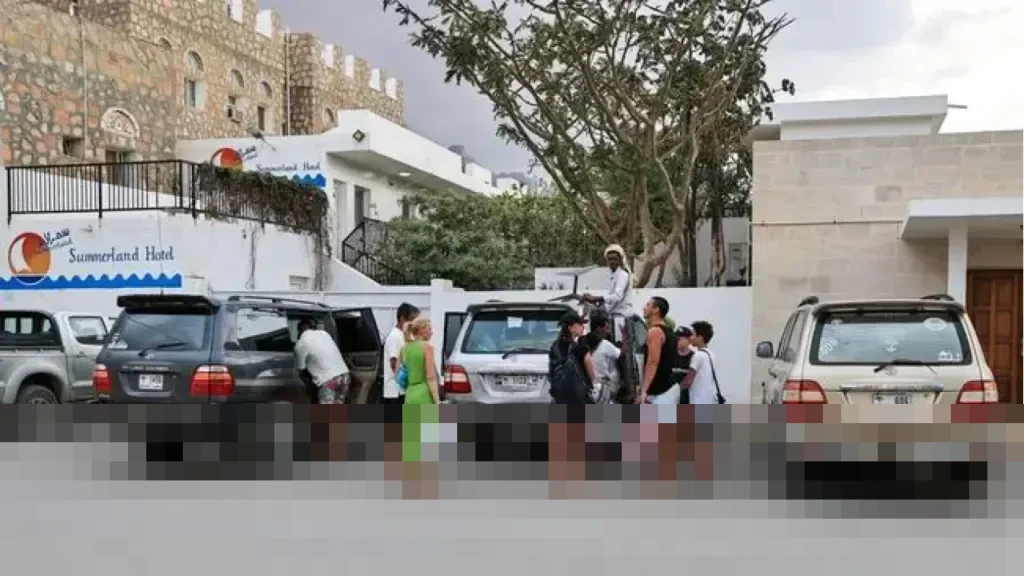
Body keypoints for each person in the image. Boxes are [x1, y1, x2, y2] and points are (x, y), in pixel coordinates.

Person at [400, 317, 441, 463]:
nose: (432, 332)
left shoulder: (405, 348)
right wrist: (437, 401)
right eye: (429, 329)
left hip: (410, 394)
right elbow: (431, 377)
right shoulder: (427, 348)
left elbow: (400, 374)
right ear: (422, 330)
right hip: (424, 394)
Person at [294, 318, 350, 404]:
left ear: (300, 331)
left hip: (329, 380)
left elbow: (301, 368)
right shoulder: (325, 334)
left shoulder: (300, 343)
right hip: (345, 376)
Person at [582, 244, 634, 333]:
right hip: (614, 316)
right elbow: (610, 302)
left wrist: (596, 298)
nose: (612, 262)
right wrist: (595, 302)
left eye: (614, 259)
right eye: (609, 259)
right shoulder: (614, 275)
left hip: (622, 317)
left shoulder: (622, 275)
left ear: (620, 260)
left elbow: (617, 297)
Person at [639, 296, 677, 405]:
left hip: (658, 393)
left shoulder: (655, 331)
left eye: (648, 305)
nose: (644, 308)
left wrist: (644, 390)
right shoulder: (669, 332)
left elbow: (652, 362)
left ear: (656, 309)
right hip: (667, 389)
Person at [548, 310, 592, 404]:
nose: (583, 327)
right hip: (578, 398)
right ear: (570, 328)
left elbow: (551, 374)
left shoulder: (554, 346)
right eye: (580, 324)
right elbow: (592, 376)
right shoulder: (580, 348)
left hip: (560, 397)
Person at [382, 302, 420, 405]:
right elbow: (394, 364)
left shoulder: (404, 336)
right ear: (402, 318)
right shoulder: (395, 336)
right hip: (395, 393)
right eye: (412, 319)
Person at [583, 310, 621, 403]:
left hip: (590, 386)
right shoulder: (605, 344)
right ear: (599, 328)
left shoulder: (584, 343)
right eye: (606, 327)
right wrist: (625, 336)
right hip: (603, 387)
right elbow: (621, 354)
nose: (608, 331)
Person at [682, 321, 724, 405]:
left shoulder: (698, 355)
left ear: (700, 337)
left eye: (693, 334)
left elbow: (688, 380)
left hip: (697, 400)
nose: (690, 338)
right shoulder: (711, 355)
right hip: (709, 400)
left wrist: (676, 390)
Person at [672, 325, 696, 404]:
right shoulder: (669, 355)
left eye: (680, 339)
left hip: (687, 400)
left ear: (688, 340)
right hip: (670, 399)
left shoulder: (694, 358)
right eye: (676, 338)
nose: (677, 341)